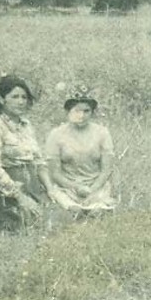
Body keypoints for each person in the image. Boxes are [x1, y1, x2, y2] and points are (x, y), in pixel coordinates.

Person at [0, 75, 57, 232]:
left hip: (32, 186)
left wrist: (50, 189)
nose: (21, 101)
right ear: (2, 99)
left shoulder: (26, 125)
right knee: (26, 225)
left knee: (61, 217)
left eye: (24, 97)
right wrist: (20, 197)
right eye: (15, 97)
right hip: (4, 189)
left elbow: (38, 162)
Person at [45, 87, 116, 217]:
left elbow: (107, 170)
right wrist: (76, 187)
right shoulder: (56, 134)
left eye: (86, 111)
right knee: (74, 211)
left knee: (96, 212)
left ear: (92, 112)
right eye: (77, 111)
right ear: (68, 112)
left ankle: (97, 207)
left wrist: (92, 190)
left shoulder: (102, 133)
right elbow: (54, 173)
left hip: (96, 186)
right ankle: (73, 208)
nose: (81, 116)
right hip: (67, 187)